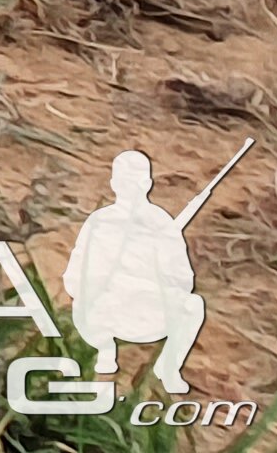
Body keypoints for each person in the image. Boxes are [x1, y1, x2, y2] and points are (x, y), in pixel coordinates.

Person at [66, 148, 209, 396]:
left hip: (133, 312)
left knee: (192, 304)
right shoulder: (104, 221)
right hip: (115, 313)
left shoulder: (155, 222)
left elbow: (182, 277)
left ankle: (164, 367)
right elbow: (75, 273)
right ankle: (113, 357)